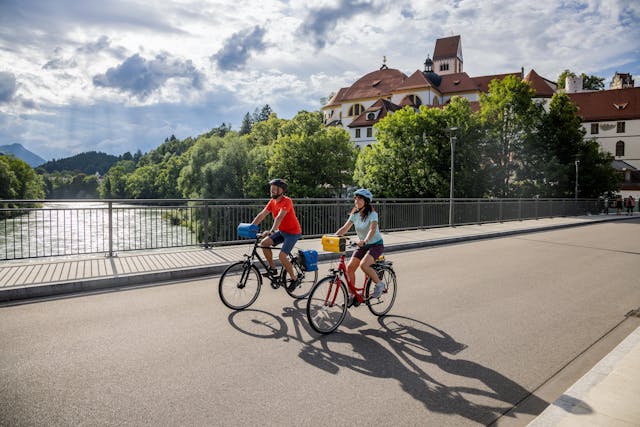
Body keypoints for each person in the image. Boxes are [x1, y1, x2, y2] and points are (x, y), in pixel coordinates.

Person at [334, 188, 386, 300]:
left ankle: (380, 284)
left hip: (375, 245)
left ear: (366, 201)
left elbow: (372, 230)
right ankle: (351, 295)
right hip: (362, 245)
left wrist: (365, 241)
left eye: (360, 198)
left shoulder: (373, 214)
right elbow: (345, 228)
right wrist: (332, 238)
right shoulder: (355, 213)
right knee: (350, 268)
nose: (357, 200)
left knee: (364, 265)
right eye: (355, 198)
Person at [251, 179, 302, 291]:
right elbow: (262, 214)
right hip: (283, 231)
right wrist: (251, 227)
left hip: (293, 233)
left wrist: (272, 231)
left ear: (281, 190)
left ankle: (294, 279)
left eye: (274, 189)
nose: (272, 191)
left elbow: (279, 217)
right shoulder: (272, 202)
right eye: (271, 189)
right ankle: (273, 269)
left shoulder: (287, 201)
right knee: (264, 243)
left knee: (282, 256)